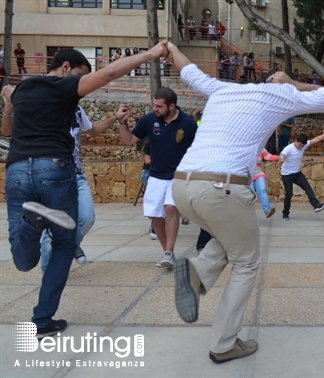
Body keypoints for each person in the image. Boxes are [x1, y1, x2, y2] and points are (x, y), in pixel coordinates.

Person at [164, 41, 324, 363]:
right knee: (246, 261)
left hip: (182, 186)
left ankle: (195, 276)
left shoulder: (222, 89)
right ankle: (223, 344)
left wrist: (171, 48)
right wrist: (293, 83)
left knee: (228, 236)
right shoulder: (277, 94)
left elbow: (187, 69)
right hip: (221, 188)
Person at [1, 43, 168, 338]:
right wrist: (151, 54)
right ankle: (41, 320)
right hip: (54, 168)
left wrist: (9, 105)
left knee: (23, 261)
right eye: (79, 76)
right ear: (66, 68)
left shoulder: (22, 89)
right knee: (64, 246)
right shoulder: (64, 87)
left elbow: (7, 131)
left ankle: (31, 224)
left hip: (16, 171)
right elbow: (111, 72)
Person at [37, 105, 130, 274]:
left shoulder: (77, 109)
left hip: (77, 175)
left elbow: (93, 130)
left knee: (87, 218)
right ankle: (48, 274)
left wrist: (115, 117)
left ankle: (70, 245)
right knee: (53, 225)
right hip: (52, 177)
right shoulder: (45, 106)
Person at [117, 87, 200, 268]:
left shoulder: (188, 123)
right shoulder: (149, 120)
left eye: (159, 106)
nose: (155, 109)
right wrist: (123, 123)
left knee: (170, 208)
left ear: (172, 106)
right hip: (155, 175)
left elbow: (198, 149)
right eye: (154, 104)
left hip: (178, 176)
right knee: (156, 216)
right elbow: (130, 140)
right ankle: (167, 253)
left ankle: (169, 252)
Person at [280, 132, 324, 220]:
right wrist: (281, 159)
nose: (300, 147)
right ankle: (285, 213)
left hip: (297, 173)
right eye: (299, 145)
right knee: (289, 194)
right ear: (296, 141)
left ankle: (316, 205)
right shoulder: (288, 148)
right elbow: (282, 154)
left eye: (302, 146)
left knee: (307, 187)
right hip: (286, 175)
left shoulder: (304, 145)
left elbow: (317, 139)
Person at [252, 148, 278, 218]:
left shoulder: (260, 148)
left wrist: (280, 157)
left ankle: (267, 211)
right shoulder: (243, 148)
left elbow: (269, 157)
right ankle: (248, 214)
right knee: (250, 195)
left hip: (258, 174)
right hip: (247, 175)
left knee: (262, 190)